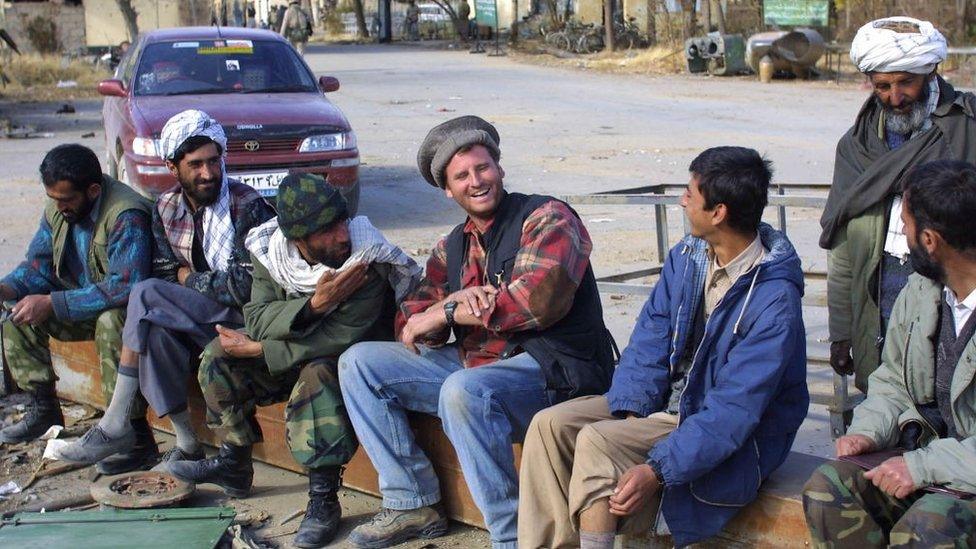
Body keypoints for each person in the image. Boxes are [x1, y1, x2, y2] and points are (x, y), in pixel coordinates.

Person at [337, 115, 615, 548]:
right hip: (480, 368)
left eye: (482, 168)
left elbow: (538, 302)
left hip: (559, 372)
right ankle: (413, 501)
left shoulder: (546, 217)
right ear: (448, 189)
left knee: (465, 391)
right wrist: (447, 309)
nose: (476, 181)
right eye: (462, 176)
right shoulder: (453, 245)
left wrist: (453, 314)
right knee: (359, 364)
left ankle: (514, 538)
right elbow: (411, 322)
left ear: (499, 168)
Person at [518, 146, 810, 548]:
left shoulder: (774, 300)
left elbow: (734, 411)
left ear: (719, 212)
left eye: (690, 192)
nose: (682, 200)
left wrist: (657, 469)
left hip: (724, 425)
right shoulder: (688, 257)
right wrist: (630, 412)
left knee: (598, 442)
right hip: (665, 404)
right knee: (549, 425)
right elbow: (649, 340)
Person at [168, 173, 421, 549]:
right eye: (326, 230)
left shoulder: (364, 260)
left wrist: (263, 349)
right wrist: (315, 305)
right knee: (219, 356)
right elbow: (257, 318)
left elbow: (340, 336)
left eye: (341, 222)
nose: (341, 236)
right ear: (297, 240)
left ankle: (323, 499)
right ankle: (234, 462)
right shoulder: (273, 253)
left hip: (348, 366)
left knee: (316, 373)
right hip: (295, 352)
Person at [57, 110, 275, 472]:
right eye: (195, 165)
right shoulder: (166, 207)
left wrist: (189, 279)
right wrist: (189, 283)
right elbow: (164, 271)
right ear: (173, 166)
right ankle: (188, 443)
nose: (208, 173)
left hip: (246, 318)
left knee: (144, 294)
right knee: (156, 333)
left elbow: (245, 285)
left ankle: (115, 422)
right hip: (199, 315)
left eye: (213, 161)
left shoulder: (247, 206)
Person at [804, 159, 976, 546]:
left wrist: (920, 466)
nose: (902, 235)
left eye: (906, 225)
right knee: (828, 487)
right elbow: (893, 381)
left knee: (927, 527)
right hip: (927, 460)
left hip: (961, 471)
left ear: (930, 241)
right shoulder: (922, 292)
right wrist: (867, 431)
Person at [821, 17, 976, 392]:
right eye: (883, 86)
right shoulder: (856, 147)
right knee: (884, 410)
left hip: (956, 311)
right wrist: (842, 331)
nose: (894, 96)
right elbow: (843, 249)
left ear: (930, 72)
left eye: (906, 82)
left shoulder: (966, 130)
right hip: (880, 312)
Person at [0, 145, 153, 463]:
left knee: (113, 320)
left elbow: (126, 286)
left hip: (134, 315)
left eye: (66, 200)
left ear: (93, 190)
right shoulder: (59, 207)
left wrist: (54, 303)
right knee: (17, 309)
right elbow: (38, 266)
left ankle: (134, 435)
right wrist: (6, 288)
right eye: (54, 198)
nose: (59, 206)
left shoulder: (126, 214)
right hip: (83, 304)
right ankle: (43, 407)